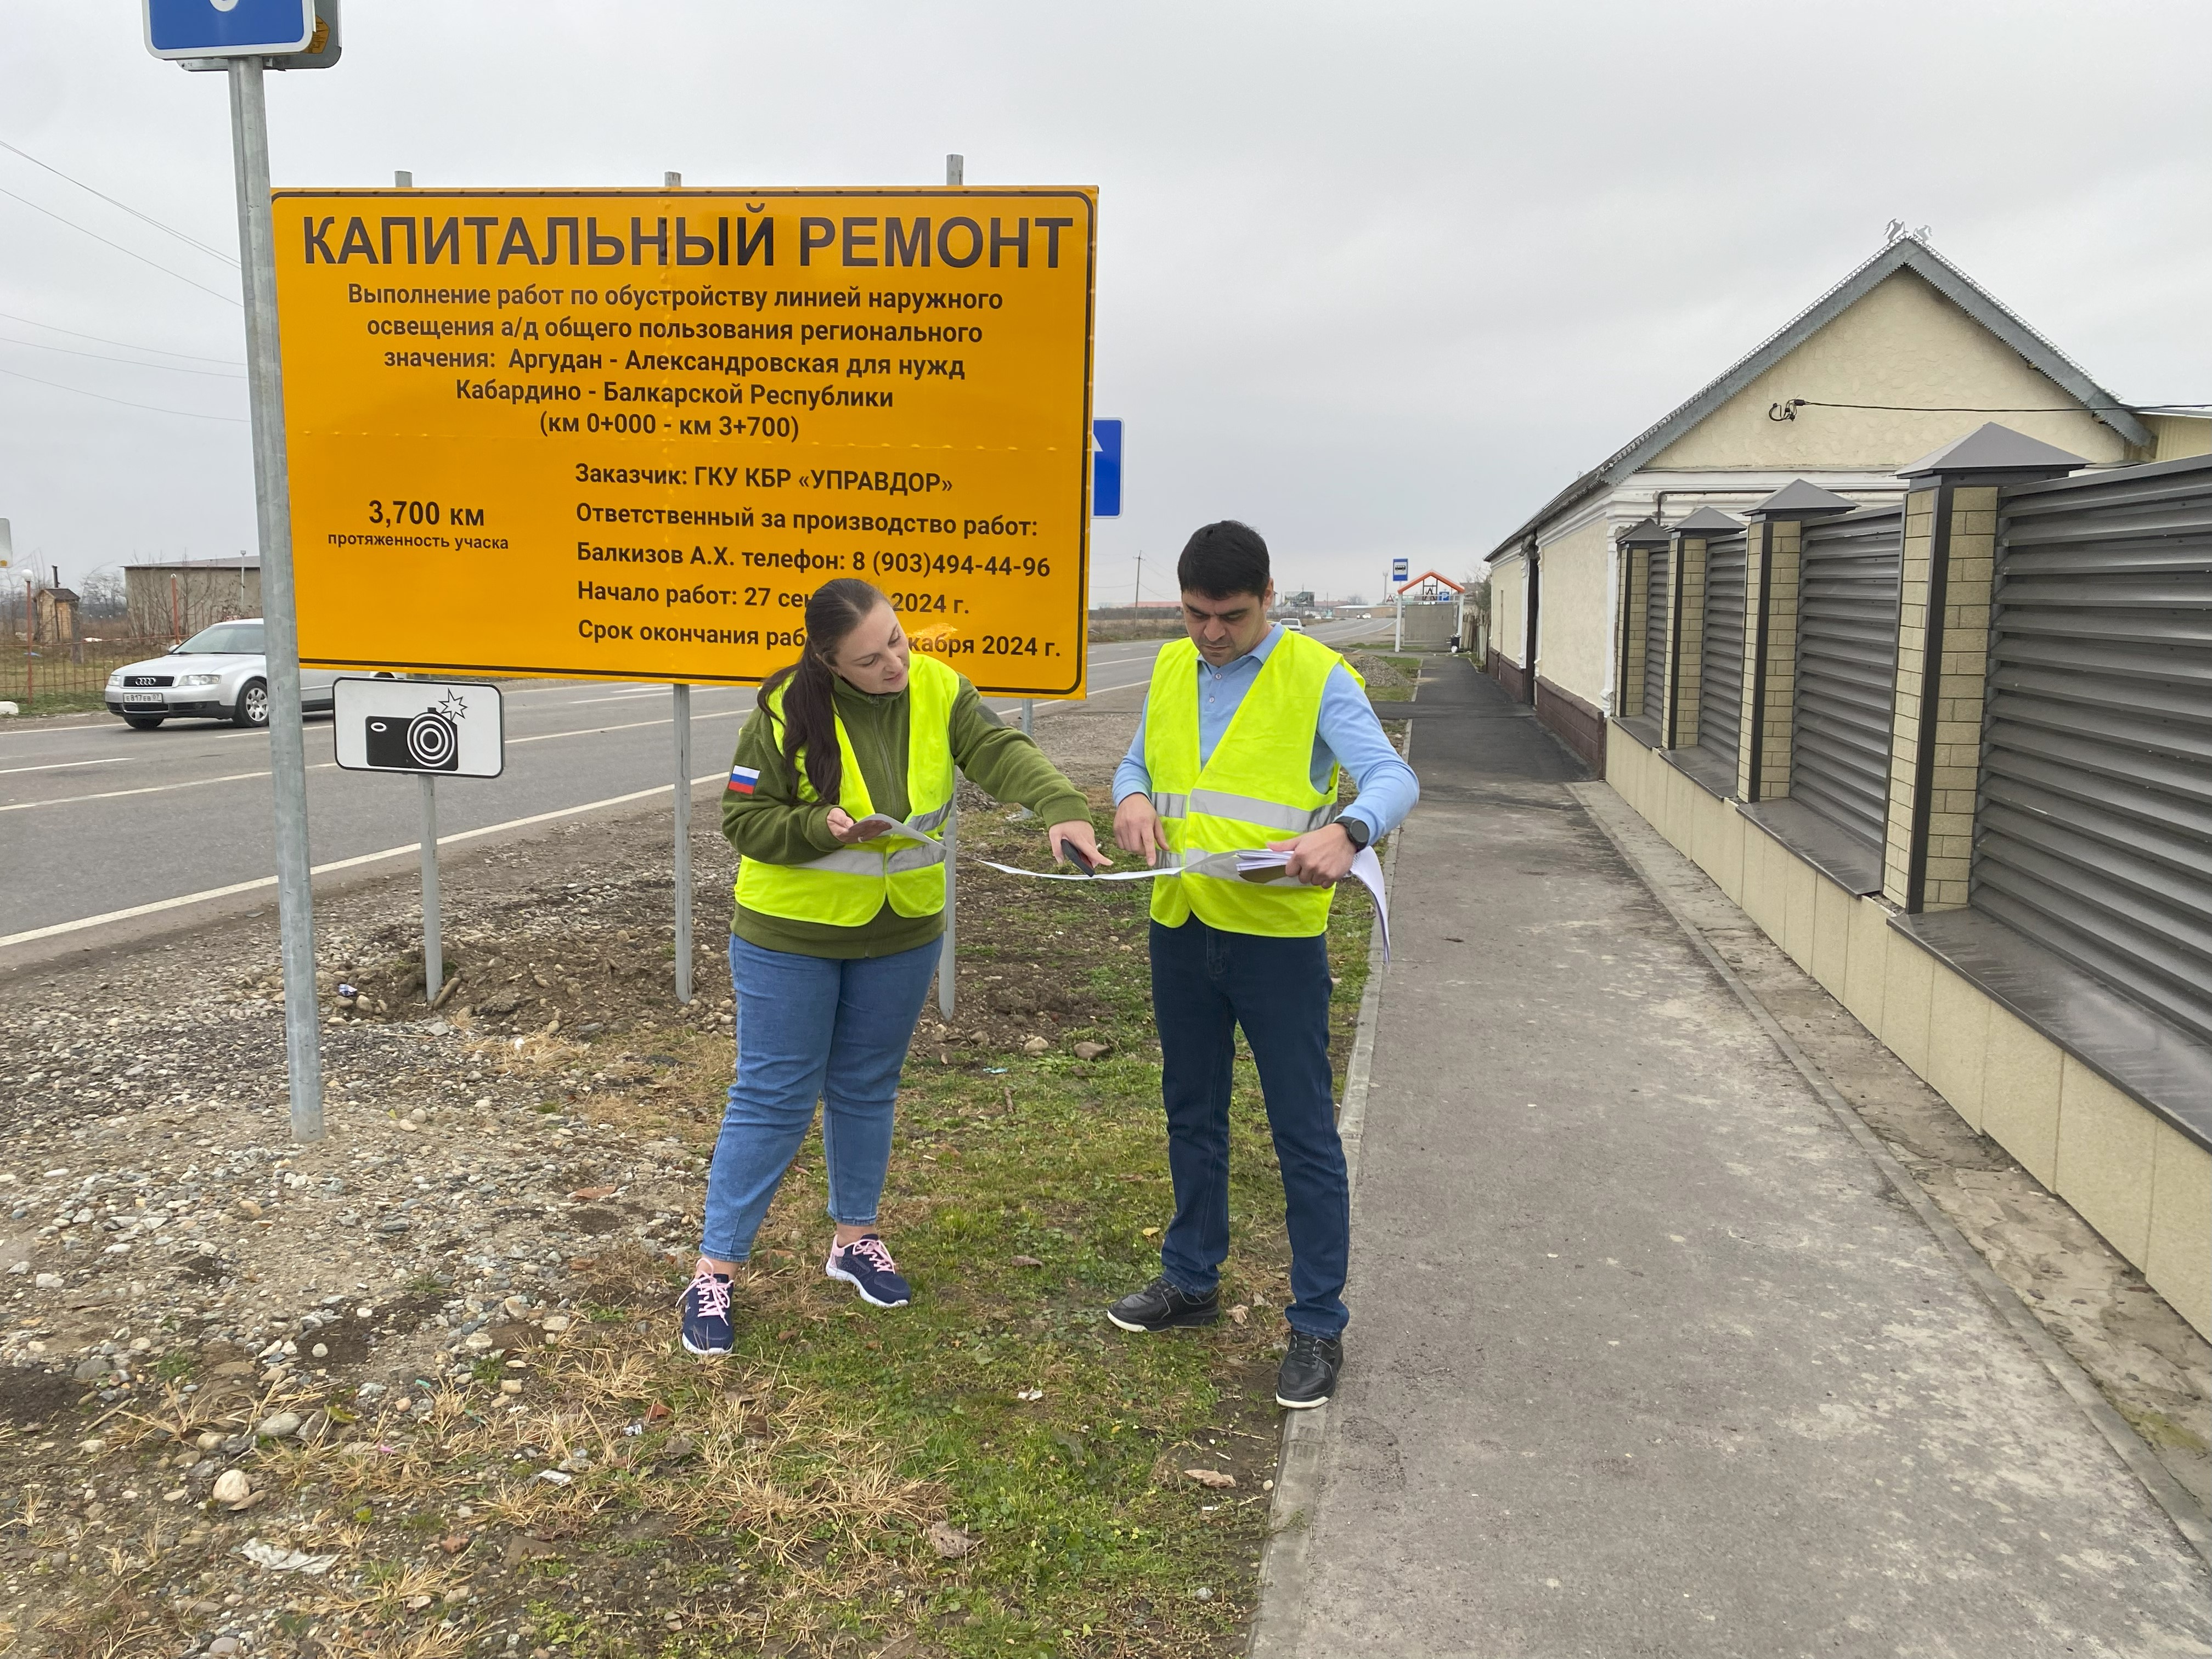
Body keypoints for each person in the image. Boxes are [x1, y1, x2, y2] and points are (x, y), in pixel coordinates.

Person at [680, 577, 1107, 1356]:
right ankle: (716, 1269)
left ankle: (855, 1239)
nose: (895, 666)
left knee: (868, 1084)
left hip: (902, 932)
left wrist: (1061, 807)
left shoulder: (940, 688)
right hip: (791, 938)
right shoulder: (782, 711)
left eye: (899, 643)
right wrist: (817, 826)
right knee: (774, 1093)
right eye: (871, 659)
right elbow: (741, 819)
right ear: (828, 661)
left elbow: (999, 751)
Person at [1107, 521, 1418, 1408]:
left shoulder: (1319, 675)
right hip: (1183, 923)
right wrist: (1130, 796)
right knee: (1191, 1111)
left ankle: (1317, 1323)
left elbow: (1391, 778)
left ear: (1268, 597)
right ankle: (1191, 1278)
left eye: (1231, 617)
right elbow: (1140, 760)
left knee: (1302, 1133)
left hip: (1276, 943)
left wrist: (1348, 829)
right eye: (1196, 614)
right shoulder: (1171, 667)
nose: (1211, 633)